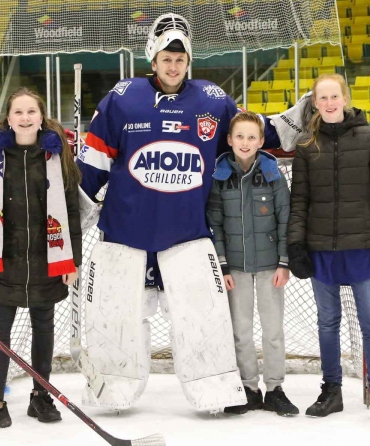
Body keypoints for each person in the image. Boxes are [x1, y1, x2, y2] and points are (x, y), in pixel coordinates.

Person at [76, 13, 281, 414]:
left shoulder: (213, 99)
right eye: (167, 58)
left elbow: (248, 134)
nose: (174, 66)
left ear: (189, 62)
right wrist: (70, 211)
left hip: (188, 230)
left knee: (200, 315)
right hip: (125, 229)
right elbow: (95, 161)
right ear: (153, 58)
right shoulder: (122, 97)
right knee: (121, 314)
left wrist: (293, 124)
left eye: (181, 59)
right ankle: (112, 384)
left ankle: (214, 386)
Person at [0, 87, 82, 433]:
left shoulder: (57, 155)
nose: (25, 118)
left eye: (31, 112)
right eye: (18, 112)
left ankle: (41, 394)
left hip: (47, 259)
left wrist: (71, 260)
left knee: (44, 328)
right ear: (8, 118)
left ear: (41, 116)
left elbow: (71, 210)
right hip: (5, 258)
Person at [287, 73, 370, 417]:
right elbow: (300, 200)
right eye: (323, 98)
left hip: (362, 248)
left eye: (335, 96)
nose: (330, 103)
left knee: (369, 322)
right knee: (327, 322)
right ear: (315, 103)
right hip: (321, 249)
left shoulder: (368, 137)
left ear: (345, 97)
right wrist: (296, 245)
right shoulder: (307, 144)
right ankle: (331, 389)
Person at [206, 111, 298, 416]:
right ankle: (247, 387)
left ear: (261, 141)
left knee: (272, 329)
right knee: (241, 329)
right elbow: (215, 223)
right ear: (230, 140)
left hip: (270, 264)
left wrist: (284, 262)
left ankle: (275, 388)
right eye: (240, 137)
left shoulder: (272, 172)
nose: (245, 142)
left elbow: (285, 217)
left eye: (252, 137)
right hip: (236, 266)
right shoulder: (220, 175)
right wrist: (223, 265)